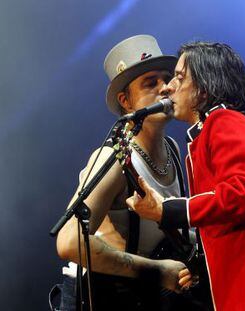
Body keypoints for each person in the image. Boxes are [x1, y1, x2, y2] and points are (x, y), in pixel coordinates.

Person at [126, 42, 245, 311]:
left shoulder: (224, 122)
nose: (169, 87)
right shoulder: (206, 137)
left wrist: (167, 209)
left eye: (179, 77)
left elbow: (244, 193)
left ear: (205, 86)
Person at [53, 35, 195, 311]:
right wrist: (156, 271)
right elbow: (69, 242)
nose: (165, 88)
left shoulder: (173, 148)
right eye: (150, 82)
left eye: (167, 78)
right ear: (126, 101)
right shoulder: (114, 158)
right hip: (116, 299)